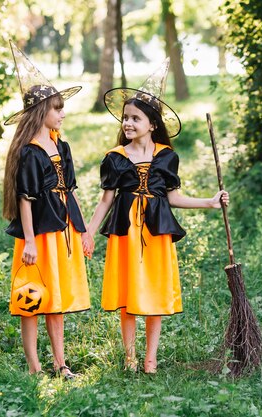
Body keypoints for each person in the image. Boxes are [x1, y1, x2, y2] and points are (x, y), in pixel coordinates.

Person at [84, 59, 229, 374]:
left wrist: (209, 202)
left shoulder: (166, 156)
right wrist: (89, 232)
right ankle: (130, 356)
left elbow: (172, 197)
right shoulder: (115, 158)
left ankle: (150, 358)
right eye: (125, 118)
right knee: (128, 293)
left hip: (156, 233)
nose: (128, 123)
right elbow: (106, 199)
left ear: (152, 124)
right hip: (126, 235)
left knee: (153, 290)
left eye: (135, 118)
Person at [2, 42, 91, 380]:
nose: (62, 114)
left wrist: (82, 231)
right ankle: (35, 367)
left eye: (62, 108)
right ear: (42, 112)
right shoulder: (29, 152)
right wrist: (28, 241)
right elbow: (25, 199)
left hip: (63, 231)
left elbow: (70, 190)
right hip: (38, 234)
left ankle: (60, 363)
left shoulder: (61, 146)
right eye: (57, 108)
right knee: (32, 299)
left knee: (56, 298)